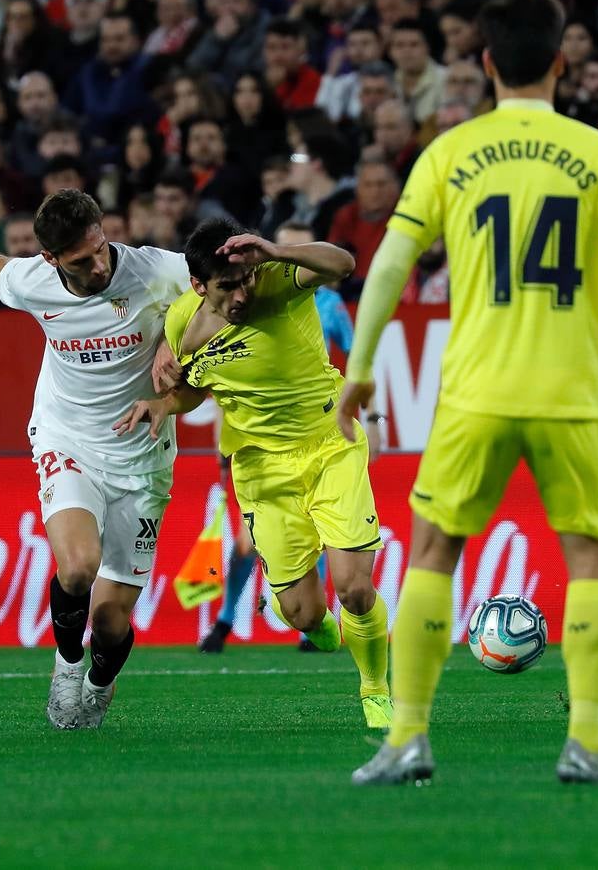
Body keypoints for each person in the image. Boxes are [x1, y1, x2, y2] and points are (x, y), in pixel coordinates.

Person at [338, 0, 598, 785]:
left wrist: (359, 369)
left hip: (474, 391)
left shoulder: (450, 152)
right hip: (572, 391)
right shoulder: (595, 154)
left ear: (486, 63)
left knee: (432, 549)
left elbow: (390, 262)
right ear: (560, 63)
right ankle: (588, 744)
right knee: (590, 560)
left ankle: (406, 740)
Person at [0, 189, 188, 730]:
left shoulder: (155, 271)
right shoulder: (33, 282)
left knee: (111, 621)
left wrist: (177, 341)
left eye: (101, 248)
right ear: (51, 259)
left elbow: (216, 293)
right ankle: (66, 664)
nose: (99, 266)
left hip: (142, 455)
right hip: (68, 438)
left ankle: (100, 683)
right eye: (81, 261)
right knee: (78, 566)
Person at [116, 217, 393, 731]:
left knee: (355, 588)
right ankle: (314, 623)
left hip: (330, 445)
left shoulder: (277, 280)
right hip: (262, 469)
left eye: (244, 279)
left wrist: (275, 250)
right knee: (303, 614)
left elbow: (343, 264)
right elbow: (195, 388)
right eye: (228, 286)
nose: (242, 294)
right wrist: (164, 404)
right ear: (199, 286)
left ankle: (376, 691)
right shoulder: (182, 325)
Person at [198, 219, 382, 655]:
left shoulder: (326, 302)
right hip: (257, 448)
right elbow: (219, 378)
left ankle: (304, 621)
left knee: (328, 539)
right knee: (245, 545)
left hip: (317, 433)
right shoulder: (240, 298)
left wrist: (373, 416)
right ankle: (230, 618)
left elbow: (360, 358)